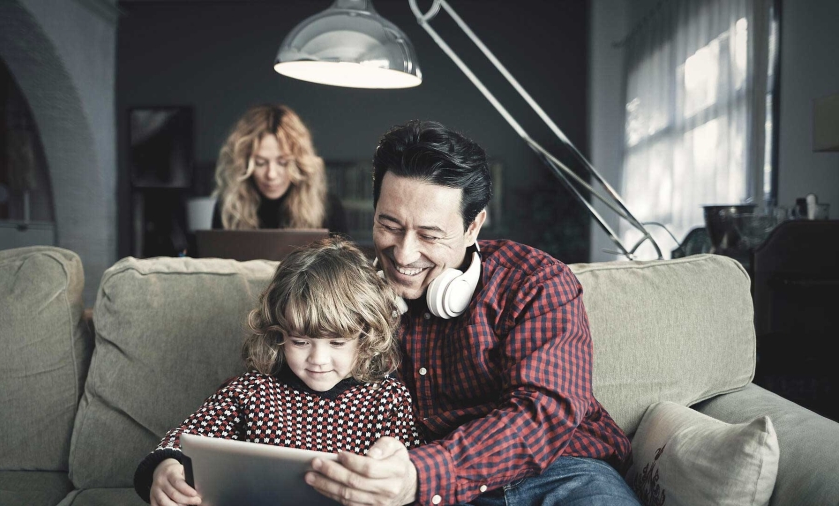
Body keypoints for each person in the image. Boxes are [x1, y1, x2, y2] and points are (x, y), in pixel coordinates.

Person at [304, 120, 640, 505]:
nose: (404, 253)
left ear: (472, 226)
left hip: (562, 473)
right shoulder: (348, 294)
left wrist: (421, 474)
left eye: (430, 235)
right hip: (435, 495)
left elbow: (543, 411)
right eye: (389, 225)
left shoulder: (536, 281)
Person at [133, 237, 421, 506]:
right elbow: (186, 436)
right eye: (300, 341)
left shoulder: (388, 399)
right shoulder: (251, 391)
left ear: (365, 337)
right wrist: (166, 467)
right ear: (278, 333)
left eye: (336, 342)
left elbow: (406, 474)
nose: (318, 359)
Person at [211, 103, 349, 236]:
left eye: (282, 162)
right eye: (260, 163)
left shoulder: (329, 208)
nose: (271, 174)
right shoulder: (229, 208)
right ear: (243, 165)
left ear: (299, 163)